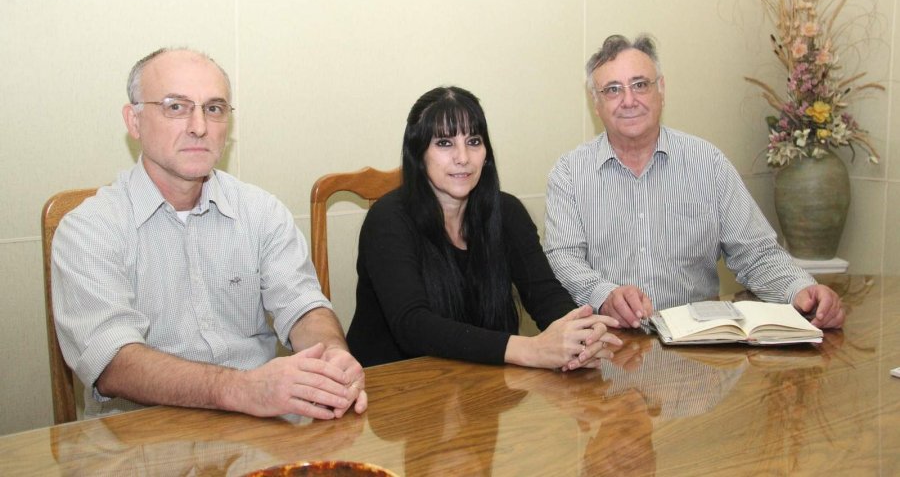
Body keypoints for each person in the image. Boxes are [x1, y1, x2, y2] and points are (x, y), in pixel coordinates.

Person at [51, 47, 366, 419]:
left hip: (260, 434)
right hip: (141, 445)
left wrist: (332, 357)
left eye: (214, 109)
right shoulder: (88, 229)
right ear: (133, 121)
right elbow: (113, 364)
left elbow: (303, 307)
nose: (199, 126)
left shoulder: (261, 212)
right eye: (176, 106)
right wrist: (242, 389)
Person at [544, 34, 845, 330]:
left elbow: (756, 253)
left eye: (640, 85)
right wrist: (605, 295)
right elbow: (563, 258)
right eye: (612, 90)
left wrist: (800, 289)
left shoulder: (708, 163)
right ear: (596, 104)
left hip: (698, 351)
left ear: (661, 89)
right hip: (609, 345)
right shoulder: (570, 173)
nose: (629, 100)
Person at [346, 86, 621, 370]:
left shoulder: (507, 212)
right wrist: (529, 349)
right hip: (395, 392)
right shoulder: (388, 220)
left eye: (474, 141)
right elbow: (413, 326)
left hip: (478, 386)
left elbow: (547, 297)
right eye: (444, 143)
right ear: (418, 153)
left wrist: (580, 333)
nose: (463, 157)